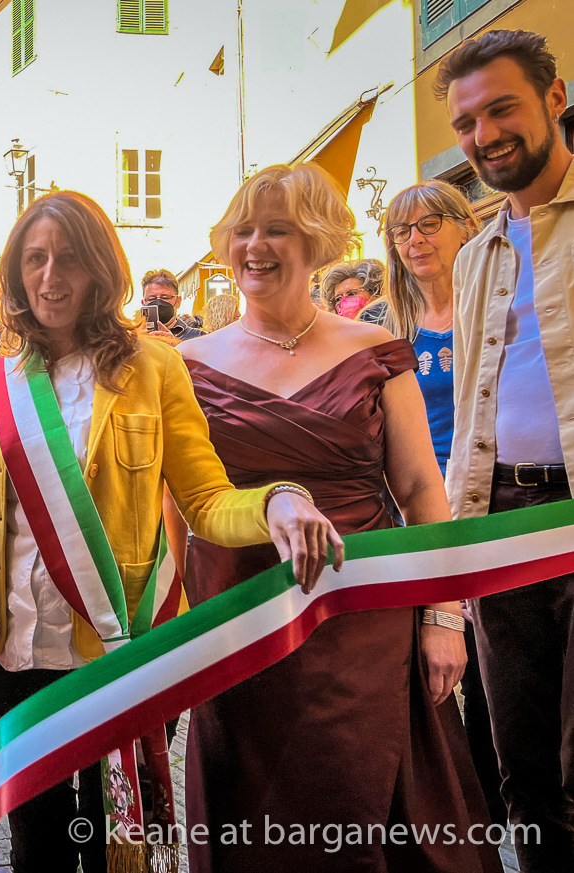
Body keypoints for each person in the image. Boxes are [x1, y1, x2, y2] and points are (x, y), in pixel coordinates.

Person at [0, 190, 344, 873]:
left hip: (125, 647)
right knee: (38, 846)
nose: (50, 277)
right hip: (15, 653)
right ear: (16, 272)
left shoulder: (155, 367)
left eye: (69, 259)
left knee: (120, 845)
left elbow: (206, 499)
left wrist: (279, 502)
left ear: (101, 270)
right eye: (36, 259)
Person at [176, 162, 495, 873]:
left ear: (317, 242)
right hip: (241, 613)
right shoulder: (187, 364)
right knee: (254, 808)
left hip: (366, 616)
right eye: (243, 230)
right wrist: (169, 633)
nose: (255, 245)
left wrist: (445, 614)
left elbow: (418, 487)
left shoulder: (374, 351)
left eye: (278, 229)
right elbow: (181, 509)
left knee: (364, 791)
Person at [438, 30, 574, 871]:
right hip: (502, 523)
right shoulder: (478, 253)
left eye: (502, 109)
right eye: (465, 122)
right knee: (519, 757)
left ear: (556, 98)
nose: (483, 134)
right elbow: (469, 411)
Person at [370, 180, 502, 824]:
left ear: (460, 227)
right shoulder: (383, 328)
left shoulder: (495, 309)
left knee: (491, 666)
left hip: (487, 503)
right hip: (412, 515)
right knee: (428, 656)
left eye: (428, 225)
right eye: (401, 230)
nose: (414, 240)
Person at [141, 268, 203, 339]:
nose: (158, 302)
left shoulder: (198, 337)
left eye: (165, 297)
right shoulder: (133, 339)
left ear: (178, 301)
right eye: (151, 299)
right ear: (144, 303)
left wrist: (175, 346)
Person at [320, 258, 385, 319]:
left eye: (352, 293)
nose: (343, 301)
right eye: (338, 298)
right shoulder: (337, 330)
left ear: (376, 296)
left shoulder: (389, 327)